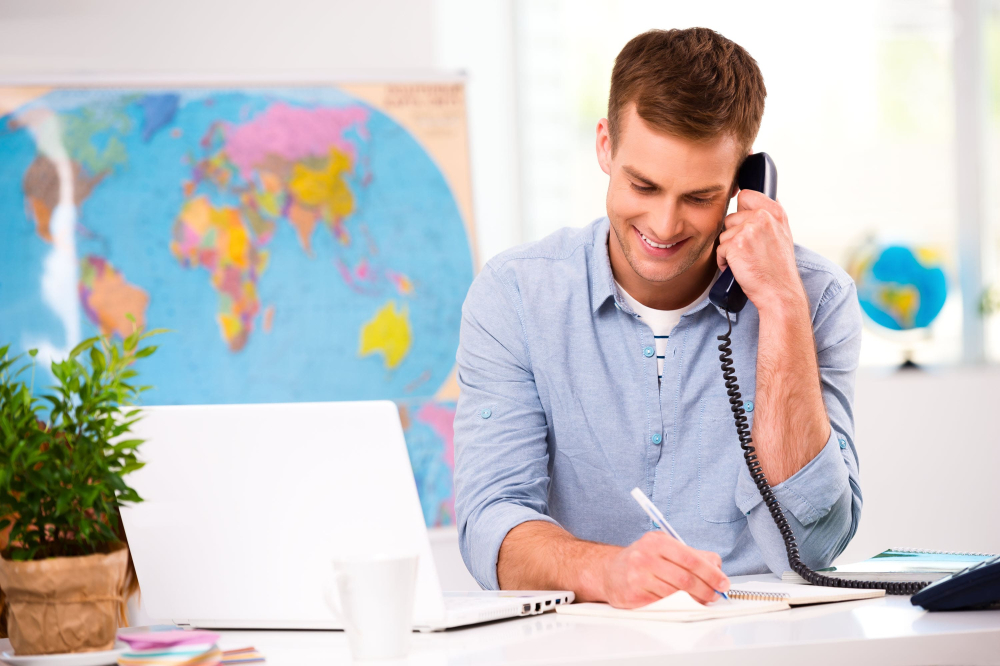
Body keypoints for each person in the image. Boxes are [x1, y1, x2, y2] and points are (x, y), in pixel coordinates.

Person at [453, 28, 862, 609]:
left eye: (698, 196)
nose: (665, 225)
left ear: (745, 185)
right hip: (584, 642)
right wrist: (607, 571)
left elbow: (814, 543)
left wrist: (781, 307)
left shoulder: (815, 298)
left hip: (763, 642)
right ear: (604, 146)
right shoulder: (515, 294)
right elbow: (490, 520)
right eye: (643, 184)